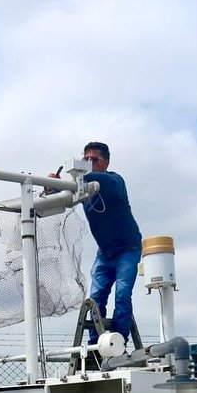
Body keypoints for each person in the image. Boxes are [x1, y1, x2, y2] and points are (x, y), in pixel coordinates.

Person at [55, 141, 142, 343]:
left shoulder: (114, 181)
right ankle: (96, 344)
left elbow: (104, 181)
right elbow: (62, 198)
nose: (89, 164)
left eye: (94, 160)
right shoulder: (83, 188)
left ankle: (118, 342)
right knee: (96, 298)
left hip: (127, 250)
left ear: (106, 162)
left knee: (122, 295)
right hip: (105, 253)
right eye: (85, 160)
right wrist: (53, 185)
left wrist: (75, 178)